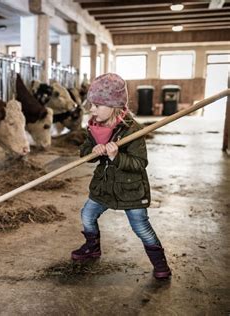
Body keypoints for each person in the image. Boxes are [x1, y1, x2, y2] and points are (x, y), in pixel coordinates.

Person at [71, 73, 171, 279]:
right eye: (91, 104)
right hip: (104, 186)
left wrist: (116, 157)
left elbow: (140, 164)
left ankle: (161, 265)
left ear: (113, 106)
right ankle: (92, 247)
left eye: (97, 105)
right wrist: (93, 151)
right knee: (87, 215)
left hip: (131, 190)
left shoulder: (132, 131)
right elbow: (84, 153)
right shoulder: (94, 127)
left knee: (141, 227)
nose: (91, 109)